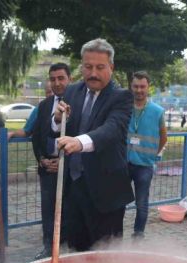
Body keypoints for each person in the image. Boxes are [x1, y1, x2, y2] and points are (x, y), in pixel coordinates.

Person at [53, 38, 134, 251]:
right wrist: (58, 119)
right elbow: (63, 128)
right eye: (88, 67)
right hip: (75, 188)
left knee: (106, 256)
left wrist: (78, 142)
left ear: (112, 67)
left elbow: (111, 131)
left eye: (100, 67)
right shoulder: (72, 91)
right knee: (76, 249)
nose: (93, 73)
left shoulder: (122, 97)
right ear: (81, 66)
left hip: (106, 192)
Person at [10, 63, 72, 260]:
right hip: (47, 167)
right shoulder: (44, 106)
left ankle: (69, 246)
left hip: (70, 167)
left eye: (61, 78)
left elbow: (82, 136)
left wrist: (65, 163)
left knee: (70, 207)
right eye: (53, 79)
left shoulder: (78, 103)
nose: (57, 82)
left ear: (69, 79)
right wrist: (43, 160)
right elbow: (36, 136)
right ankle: (49, 247)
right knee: (48, 208)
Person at [127, 71, 167, 238]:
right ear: (131, 87)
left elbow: (163, 137)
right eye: (136, 86)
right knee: (116, 200)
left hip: (144, 165)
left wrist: (153, 155)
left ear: (148, 87)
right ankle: (113, 234)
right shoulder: (124, 107)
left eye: (142, 86)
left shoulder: (157, 111)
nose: (139, 90)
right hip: (124, 162)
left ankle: (138, 234)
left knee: (141, 203)